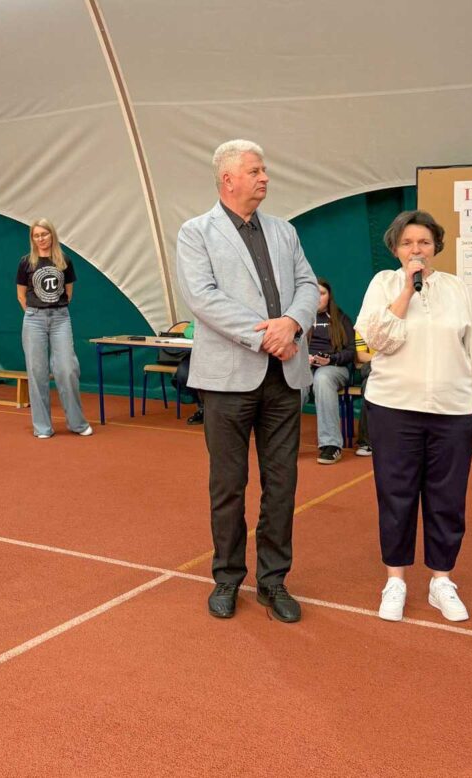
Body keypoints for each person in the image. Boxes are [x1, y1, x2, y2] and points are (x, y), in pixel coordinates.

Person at [176, 139, 319, 623]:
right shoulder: (196, 232)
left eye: (264, 170)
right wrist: (268, 337)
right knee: (228, 486)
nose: (264, 178)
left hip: (284, 377)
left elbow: (307, 285)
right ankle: (227, 577)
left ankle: (273, 581)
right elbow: (203, 298)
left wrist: (292, 324)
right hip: (227, 380)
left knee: (282, 484)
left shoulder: (285, 231)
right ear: (228, 179)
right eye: (255, 171)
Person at [355, 210, 472, 624]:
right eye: (407, 243)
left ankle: (441, 581)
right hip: (393, 408)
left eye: (423, 242)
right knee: (396, 495)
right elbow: (374, 343)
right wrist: (406, 290)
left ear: (435, 246)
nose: (415, 249)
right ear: (395, 248)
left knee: (447, 498)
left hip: (452, 410)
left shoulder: (457, 288)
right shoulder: (382, 284)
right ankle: (395, 581)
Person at [15, 219, 93, 439]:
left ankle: (77, 423)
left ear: (52, 235)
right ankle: (42, 427)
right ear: (32, 239)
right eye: (36, 235)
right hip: (34, 319)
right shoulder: (26, 262)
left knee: (67, 369)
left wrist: (55, 310)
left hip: (60, 319)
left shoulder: (64, 260)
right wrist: (34, 313)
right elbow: (21, 295)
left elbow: (69, 292)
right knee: (37, 372)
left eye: (44, 234)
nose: (41, 239)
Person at [304, 278, 355, 464]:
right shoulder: (301, 318)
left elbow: (351, 351)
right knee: (295, 382)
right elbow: (290, 345)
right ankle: (285, 444)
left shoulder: (341, 319)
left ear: (329, 296)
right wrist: (303, 358)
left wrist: (331, 359)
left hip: (334, 368)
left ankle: (331, 445)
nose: (318, 297)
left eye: (322, 293)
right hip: (306, 367)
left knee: (323, 377)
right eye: (314, 293)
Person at [170, 320, 204, 425]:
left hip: (221, 356)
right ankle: (202, 408)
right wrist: (195, 334)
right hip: (197, 354)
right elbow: (188, 329)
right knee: (183, 373)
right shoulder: (202, 314)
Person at [353, 332, 373, 456]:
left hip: (400, 368)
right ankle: (366, 442)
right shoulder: (364, 324)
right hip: (376, 365)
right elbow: (361, 355)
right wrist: (384, 361)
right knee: (368, 384)